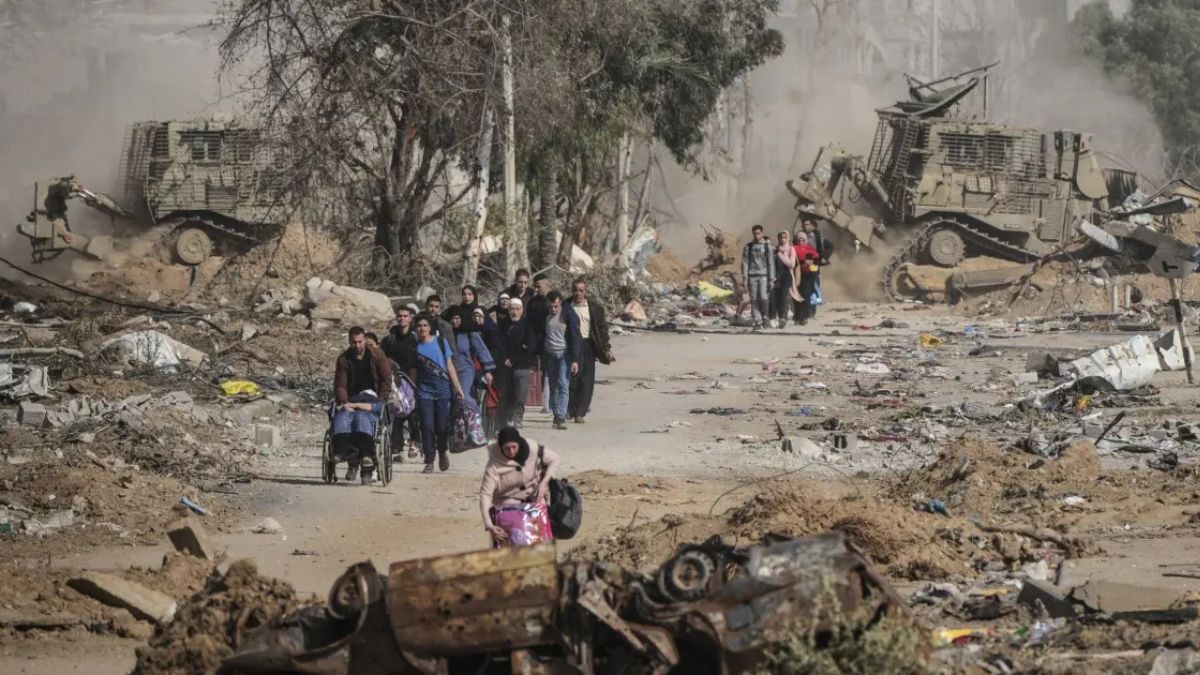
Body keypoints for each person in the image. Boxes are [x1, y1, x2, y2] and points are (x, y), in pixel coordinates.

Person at [479, 426, 560, 548]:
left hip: (534, 498)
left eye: (514, 447)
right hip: (507, 504)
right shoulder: (494, 466)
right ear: (501, 448)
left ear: (519, 444)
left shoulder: (533, 450)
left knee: (541, 542)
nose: (511, 452)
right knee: (513, 542)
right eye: (507, 448)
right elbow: (485, 494)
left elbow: (555, 459)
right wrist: (489, 525)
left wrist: (544, 483)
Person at [332, 326, 394, 482]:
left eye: (360, 342)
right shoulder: (344, 359)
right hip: (352, 399)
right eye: (354, 342)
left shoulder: (377, 355)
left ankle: (367, 458)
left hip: (372, 399)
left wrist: (380, 400)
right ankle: (344, 453)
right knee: (343, 418)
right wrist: (344, 402)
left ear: (364, 340)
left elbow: (387, 379)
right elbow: (340, 385)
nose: (357, 346)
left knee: (362, 419)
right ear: (349, 341)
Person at [414, 314, 466, 474]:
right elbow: (414, 372)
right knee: (427, 425)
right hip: (424, 392)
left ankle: (443, 451)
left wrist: (458, 388)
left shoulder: (442, 343)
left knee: (442, 426)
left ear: (430, 327)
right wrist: (413, 391)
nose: (422, 328)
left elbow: (449, 366)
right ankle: (429, 460)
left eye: (425, 325)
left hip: (443, 390)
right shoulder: (415, 348)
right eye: (419, 325)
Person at [567, 279, 612, 424]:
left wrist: (606, 348)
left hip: (588, 345)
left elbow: (602, 329)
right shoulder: (566, 306)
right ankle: (570, 409)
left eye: (581, 290)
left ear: (585, 292)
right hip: (571, 345)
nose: (578, 293)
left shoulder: (594, 308)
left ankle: (580, 412)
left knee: (587, 380)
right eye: (575, 290)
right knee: (572, 378)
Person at [381, 306, 420, 459]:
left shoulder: (416, 338)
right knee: (396, 411)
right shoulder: (389, 339)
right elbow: (382, 358)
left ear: (410, 318)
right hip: (395, 380)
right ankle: (396, 446)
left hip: (413, 379)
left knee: (413, 413)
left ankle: (414, 442)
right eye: (399, 316)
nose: (402, 318)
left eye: (405, 316)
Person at [495, 298, 537, 429]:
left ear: (522, 310)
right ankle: (507, 417)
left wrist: (515, 358)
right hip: (506, 365)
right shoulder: (503, 325)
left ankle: (517, 417)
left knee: (520, 392)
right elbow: (500, 344)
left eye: (517, 309)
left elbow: (530, 346)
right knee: (507, 393)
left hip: (522, 365)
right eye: (512, 309)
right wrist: (505, 358)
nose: (514, 312)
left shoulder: (528, 325)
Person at [542, 290, 581, 430]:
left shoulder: (567, 316)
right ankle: (555, 414)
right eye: (551, 306)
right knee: (553, 386)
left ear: (560, 304)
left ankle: (561, 416)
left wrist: (575, 359)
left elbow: (576, 337)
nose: (553, 309)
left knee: (563, 384)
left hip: (564, 354)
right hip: (549, 354)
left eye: (556, 306)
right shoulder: (545, 316)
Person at [447, 306, 495, 402]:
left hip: (466, 369)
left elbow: (481, 350)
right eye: (451, 318)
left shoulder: (469, 332)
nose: (454, 321)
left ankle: (475, 416)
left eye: (457, 318)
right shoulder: (446, 334)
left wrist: (487, 371)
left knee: (464, 395)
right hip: (450, 370)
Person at [741, 224, 775, 329]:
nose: (756, 235)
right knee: (754, 299)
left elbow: (771, 263)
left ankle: (765, 317)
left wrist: (771, 279)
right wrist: (745, 279)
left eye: (758, 233)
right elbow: (745, 263)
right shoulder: (749, 247)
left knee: (764, 297)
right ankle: (757, 320)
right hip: (752, 276)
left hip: (764, 275)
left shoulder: (766, 247)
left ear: (762, 233)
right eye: (755, 233)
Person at [792, 232, 822, 326]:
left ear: (806, 239)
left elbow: (817, 259)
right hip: (796, 274)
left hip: (808, 274)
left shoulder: (810, 248)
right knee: (796, 296)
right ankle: (797, 317)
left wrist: (811, 261)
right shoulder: (793, 248)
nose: (801, 241)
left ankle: (804, 317)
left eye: (803, 239)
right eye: (799, 239)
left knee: (806, 296)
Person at [771, 230, 796, 327]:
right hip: (776, 276)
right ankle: (776, 316)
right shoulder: (775, 249)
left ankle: (783, 318)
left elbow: (792, 264)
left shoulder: (791, 249)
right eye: (781, 237)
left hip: (786, 275)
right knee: (776, 297)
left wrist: (780, 255)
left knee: (784, 297)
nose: (783, 239)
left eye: (785, 237)